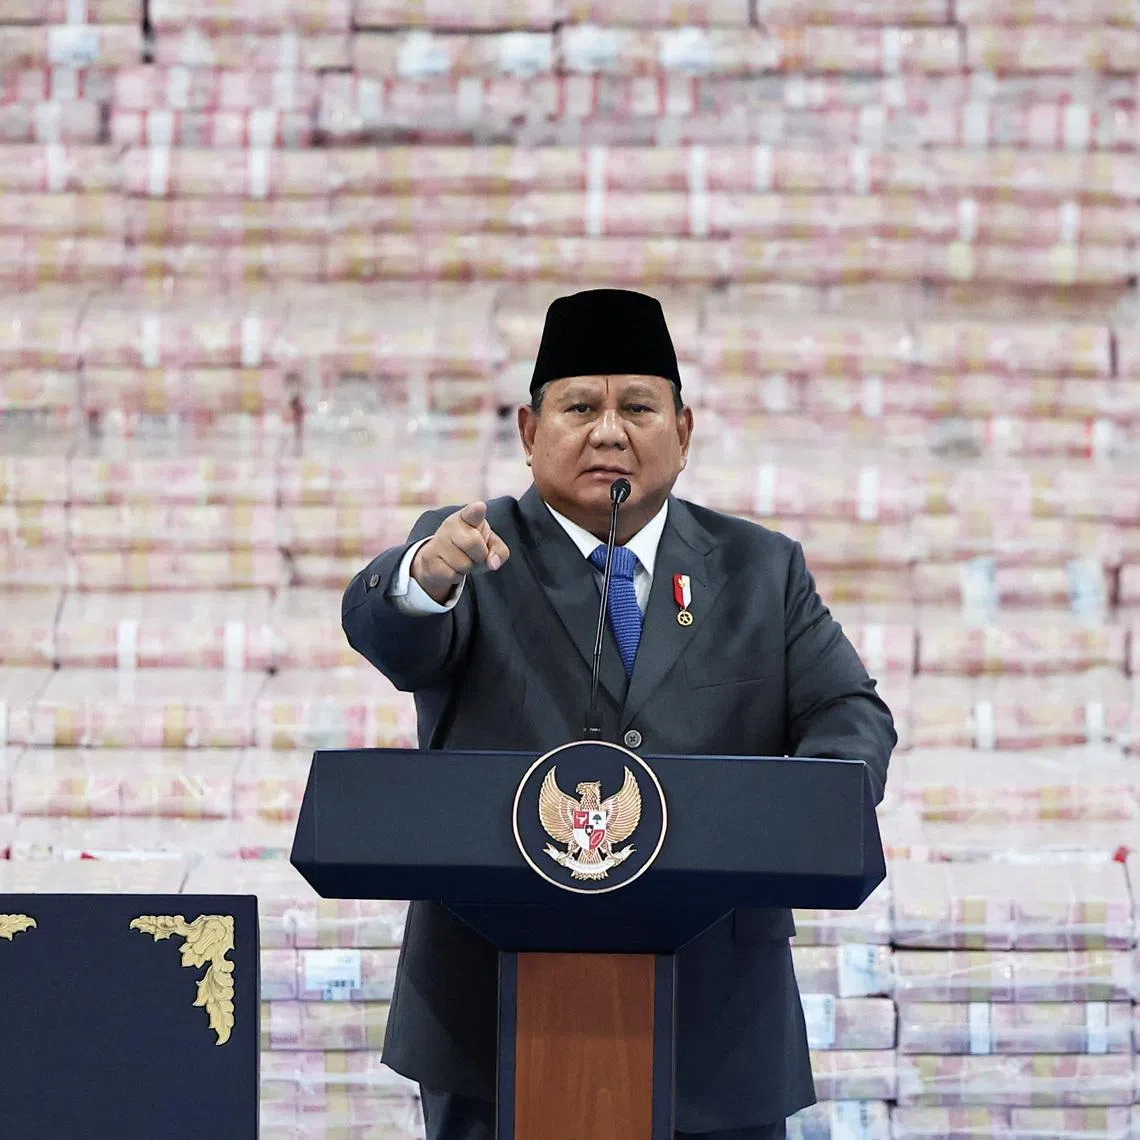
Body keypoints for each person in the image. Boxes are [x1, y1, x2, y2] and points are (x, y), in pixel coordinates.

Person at [342, 288, 896, 1140]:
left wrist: (801, 813)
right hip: (495, 1018)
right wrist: (425, 573)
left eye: (638, 406)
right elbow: (391, 630)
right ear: (529, 432)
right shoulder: (471, 551)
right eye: (579, 407)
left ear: (684, 429)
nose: (609, 431)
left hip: (717, 1023)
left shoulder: (760, 569)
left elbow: (848, 710)